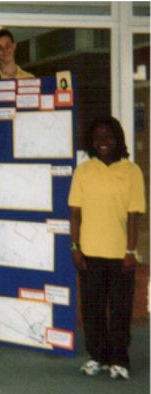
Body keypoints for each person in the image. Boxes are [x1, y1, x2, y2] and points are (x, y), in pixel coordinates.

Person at [68, 116, 145, 380]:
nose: (103, 142)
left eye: (108, 136)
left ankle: (119, 360)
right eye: (97, 137)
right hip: (89, 252)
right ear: (91, 141)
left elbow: (134, 215)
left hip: (120, 254)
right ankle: (98, 356)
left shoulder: (131, 171)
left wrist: (131, 251)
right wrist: (76, 247)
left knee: (120, 310)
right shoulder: (84, 170)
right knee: (92, 309)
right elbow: (75, 212)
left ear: (118, 139)